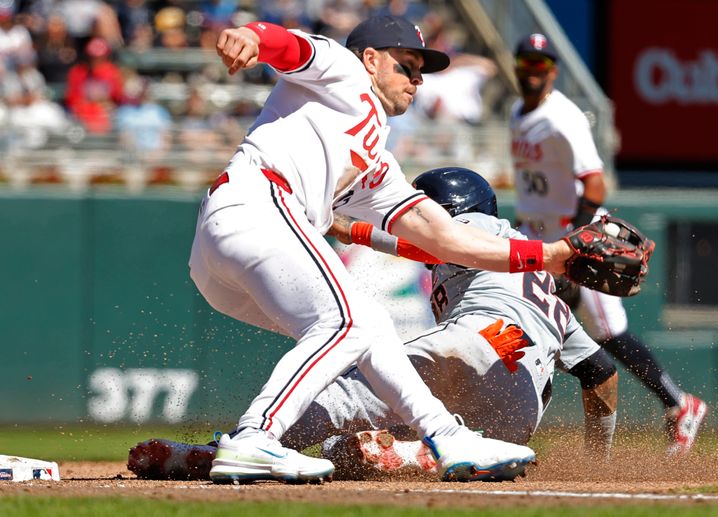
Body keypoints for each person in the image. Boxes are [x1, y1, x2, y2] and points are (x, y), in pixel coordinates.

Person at [187, 15, 576, 484]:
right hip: (258, 204)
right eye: (406, 65)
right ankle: (256, 436)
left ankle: (446, 436)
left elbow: (447, 240)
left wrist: (552, 255)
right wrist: (251, 35)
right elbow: (288, 46)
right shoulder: (346, 72)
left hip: (226, 250)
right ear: (371, 59)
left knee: (369, 328)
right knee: (347, 323)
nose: (416, 80)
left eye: (420, 71)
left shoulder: (375, 161)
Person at [128, 167, 619, 481]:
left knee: (347, 387)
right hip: (520, 400)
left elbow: (430, 241)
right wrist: (597, 465)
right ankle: (406, 456)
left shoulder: (476, 232)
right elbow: (602, 374)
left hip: (478, 340)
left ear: (448, 212)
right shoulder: (542, 285)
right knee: (359, 447)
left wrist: (345, 227)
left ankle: (231, 449)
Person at [509, 33, 707, 455]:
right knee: (535, 321)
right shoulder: (516, 112)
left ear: (553, 71)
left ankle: (679, 403)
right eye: (526, 64)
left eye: (540, 65)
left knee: (607, 331)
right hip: (538, 234)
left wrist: (576, 242)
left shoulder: (563, 116)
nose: (533, 72)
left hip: (573, 237)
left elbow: (594, 184)